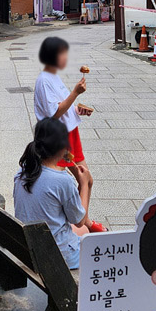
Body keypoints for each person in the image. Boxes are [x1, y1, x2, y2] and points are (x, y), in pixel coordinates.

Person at [34, 36, 104, 232]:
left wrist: (77, 110)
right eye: (62, 54)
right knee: (82, 179)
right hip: (58, 139)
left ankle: (84, 220)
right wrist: (75, 92)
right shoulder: (44, 81)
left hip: (70, 134)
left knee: (87, 179)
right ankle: (82, 222)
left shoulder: (53, 77)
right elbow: (54, 113)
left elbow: (62, 107)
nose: (66, 58)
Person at [13, 117, 92, 269]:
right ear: (64, 148)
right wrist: (84, 185)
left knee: (82, 230)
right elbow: (79, 220)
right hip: (57, 256)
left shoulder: (24, 170)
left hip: (28, 247)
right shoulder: (63, 180)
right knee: (85, 232)